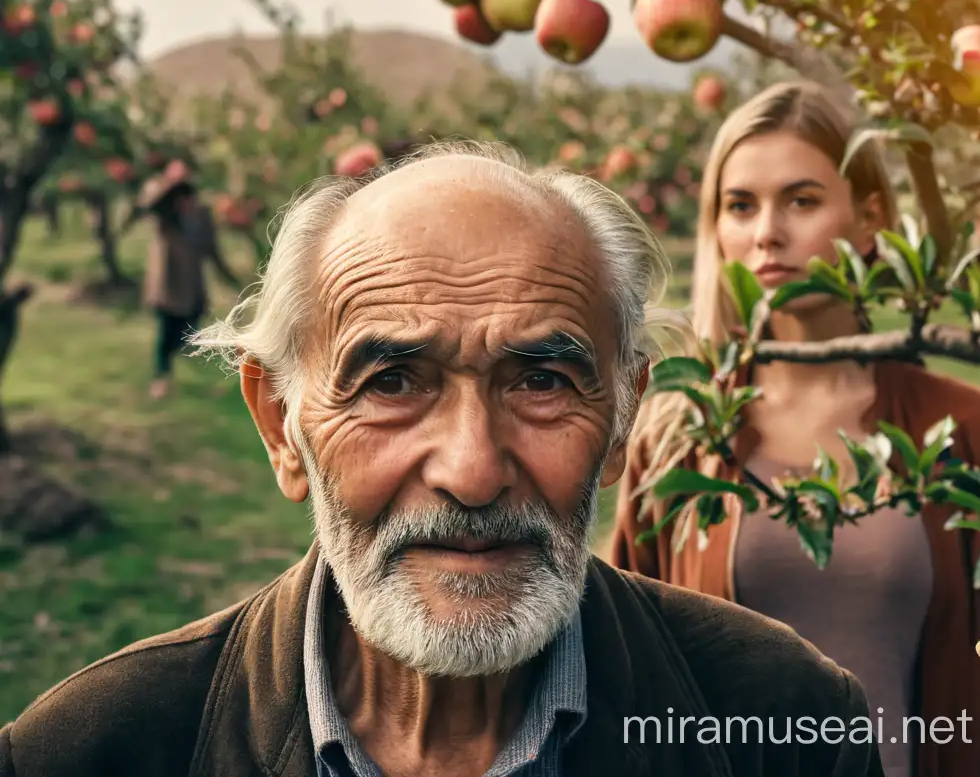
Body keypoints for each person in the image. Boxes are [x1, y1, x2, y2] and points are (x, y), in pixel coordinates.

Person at [0, 139, 885, 777]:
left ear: (619, 421)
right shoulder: (89, 751)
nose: (472, 470)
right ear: (282, 425)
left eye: (541, 380)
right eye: (391, 381)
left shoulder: (787, 726)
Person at [609, 79, 980, 777]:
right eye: (740, 206)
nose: (767, 230)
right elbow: (619, 663)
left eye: (801, 200)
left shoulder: (970, 434)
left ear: (869, 219)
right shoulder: (678, 435)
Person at [137, 169, 240, 399]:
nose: (186, 204)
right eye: (180, 199)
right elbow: (148, 203)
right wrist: (170, 182)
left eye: (189, 198)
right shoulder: (164, 219)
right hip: (167, 285)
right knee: (166, 334)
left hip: (192, 286)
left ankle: (183, 368)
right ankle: (162, 376)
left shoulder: (201, 217)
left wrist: (232, 280)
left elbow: (212, 250)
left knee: (187, 331)